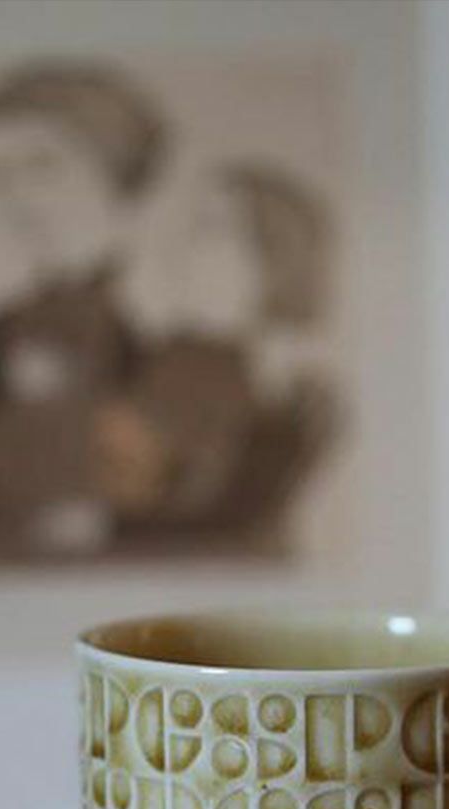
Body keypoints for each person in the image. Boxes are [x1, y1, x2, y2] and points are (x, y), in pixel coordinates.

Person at [0, 61, 166, 558]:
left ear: (111, 162)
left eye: (41, 166)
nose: (17, 197)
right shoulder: (0, 329)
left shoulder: (164, 321)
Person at [94, 162, 339, 552]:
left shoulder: (289, 398)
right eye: (193, 225)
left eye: (212, 229)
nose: (184, 245)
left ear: (270, 261)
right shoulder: (163, 358)